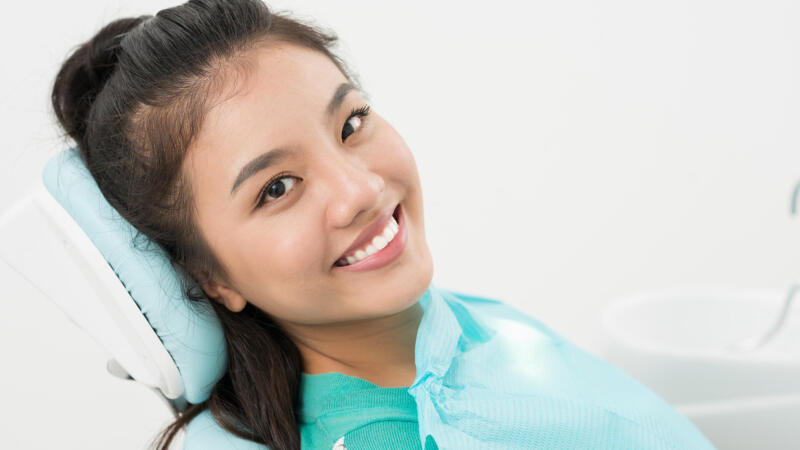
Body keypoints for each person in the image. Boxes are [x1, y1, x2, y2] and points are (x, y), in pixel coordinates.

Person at [50, 1, 717, 449]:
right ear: (210, 275)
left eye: (351, 123)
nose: (361, 191)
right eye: (276, 188)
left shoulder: (451, 329)